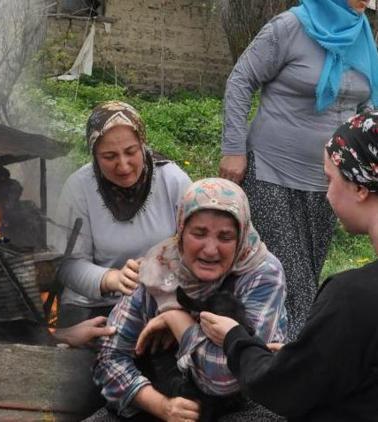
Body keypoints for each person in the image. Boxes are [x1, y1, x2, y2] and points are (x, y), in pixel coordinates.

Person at [201, 111, 378, 422]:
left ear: (360, 187)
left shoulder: (353, 297)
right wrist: (304, 355)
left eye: (329, 179)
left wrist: (235, 338)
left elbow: (283, 390)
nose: (327, 193)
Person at [219, 0, 378, 339]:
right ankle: (288, 365)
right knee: (289, 279)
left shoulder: (362, 35)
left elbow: (366, 107)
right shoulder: (290, 27)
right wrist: (233, 148)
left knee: (307, 271)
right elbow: (241, 80)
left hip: (332, 184)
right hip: (270, 172)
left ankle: (273, 360)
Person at [93, 178, 288, 421]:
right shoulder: (159, 268)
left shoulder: (262, 274)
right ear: (181, 231)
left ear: (241, 237)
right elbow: (108, 358)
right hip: (162, 396)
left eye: (225, 237)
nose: (210, 249)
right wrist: (161, 406)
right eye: (199, 233)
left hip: (242, 404)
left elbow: (229, 377)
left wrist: (176, 320)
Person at [54, 101, 191, 328]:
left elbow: (197, 244)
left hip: (161, 299)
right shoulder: (79, 188)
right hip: (92, 305)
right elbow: (67, 265)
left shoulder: (172, 181)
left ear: (142, 144)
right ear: (94, 155)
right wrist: (111, 279)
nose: (124, 166)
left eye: (131, 152)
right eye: (109, 157)